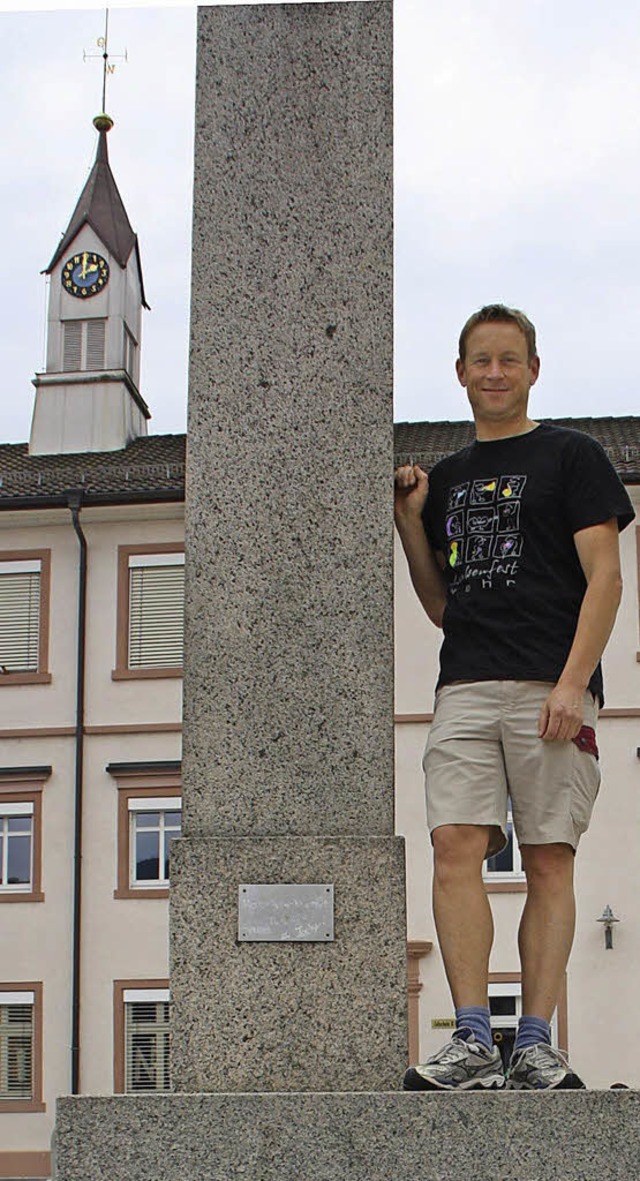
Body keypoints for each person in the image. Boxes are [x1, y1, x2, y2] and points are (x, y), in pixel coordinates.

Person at [394, 304, 635, 1091]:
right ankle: (471, 1037)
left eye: (509, 358)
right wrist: (409, 523)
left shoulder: (573, 456)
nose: (494, 371)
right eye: (480, 360)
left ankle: (533, 1042)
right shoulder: (452, 478)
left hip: (549, 685)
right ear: (460, 373)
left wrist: (573, 682)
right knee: (454, 846)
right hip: (464, 683)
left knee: (546, 858)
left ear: (533, 369)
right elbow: (441, 604)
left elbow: (605, 576)